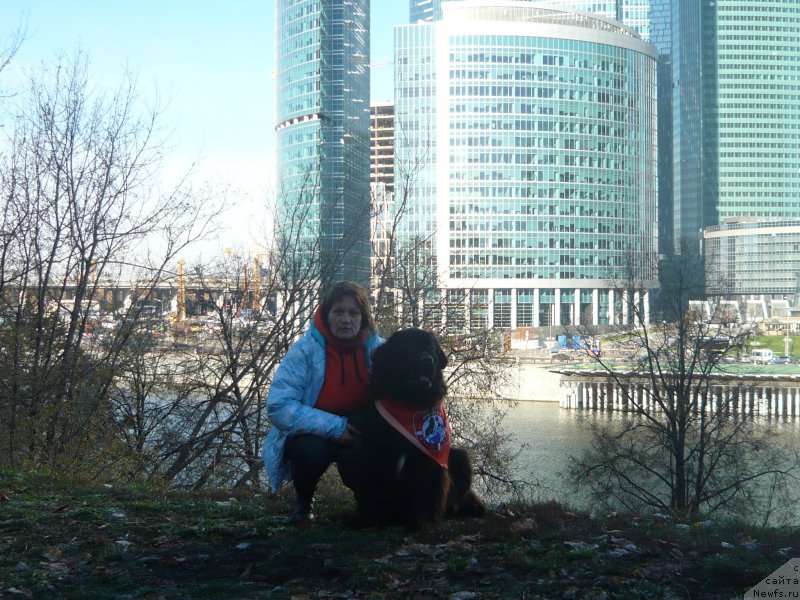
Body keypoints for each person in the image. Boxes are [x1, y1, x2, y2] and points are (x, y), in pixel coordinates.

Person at [261, 281, 383, 523]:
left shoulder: (379, 352)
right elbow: (279, 406)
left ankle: (369, 506)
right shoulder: (304, 351)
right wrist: (335, 428)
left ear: (364, 318)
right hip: (316, 432)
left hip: (360, 429)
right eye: (338, 312)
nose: (346, 319)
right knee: (307, 451)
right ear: (326, 315)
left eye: (353, 313)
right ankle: (303, 504)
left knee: (374, 448)